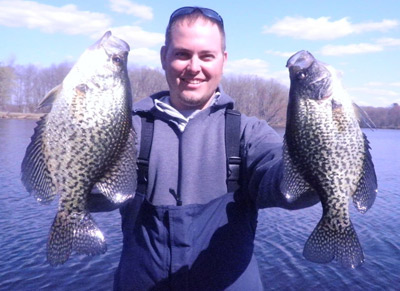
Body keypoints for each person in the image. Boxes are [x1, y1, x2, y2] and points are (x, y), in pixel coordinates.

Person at [89, 6, 319, 290]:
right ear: (164, 57)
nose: (194, 67)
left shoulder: (249, 132)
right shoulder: (127, 129)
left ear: (223, 61)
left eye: (206, 56)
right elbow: (96, 200)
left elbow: (287, 190)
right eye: (182, 54)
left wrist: (318, 161)